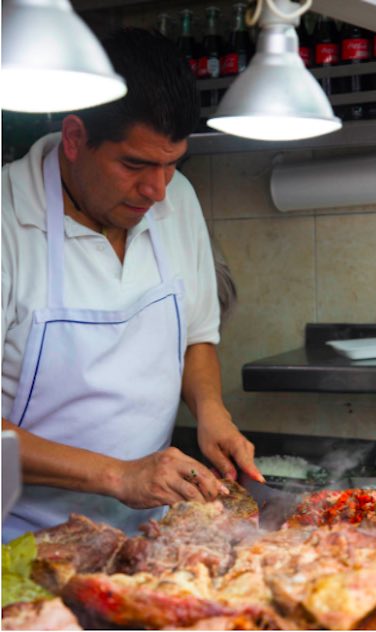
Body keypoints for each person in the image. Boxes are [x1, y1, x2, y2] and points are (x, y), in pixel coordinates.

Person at [1, 29, 264, 541]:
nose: (156, 190)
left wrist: (213, 413)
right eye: (135, 165)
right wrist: (120, 475)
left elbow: (196, 336)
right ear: (75, 138)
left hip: (145, 534)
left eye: (173, 164)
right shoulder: (9, 219)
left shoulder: (176, 199)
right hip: (17, 538)